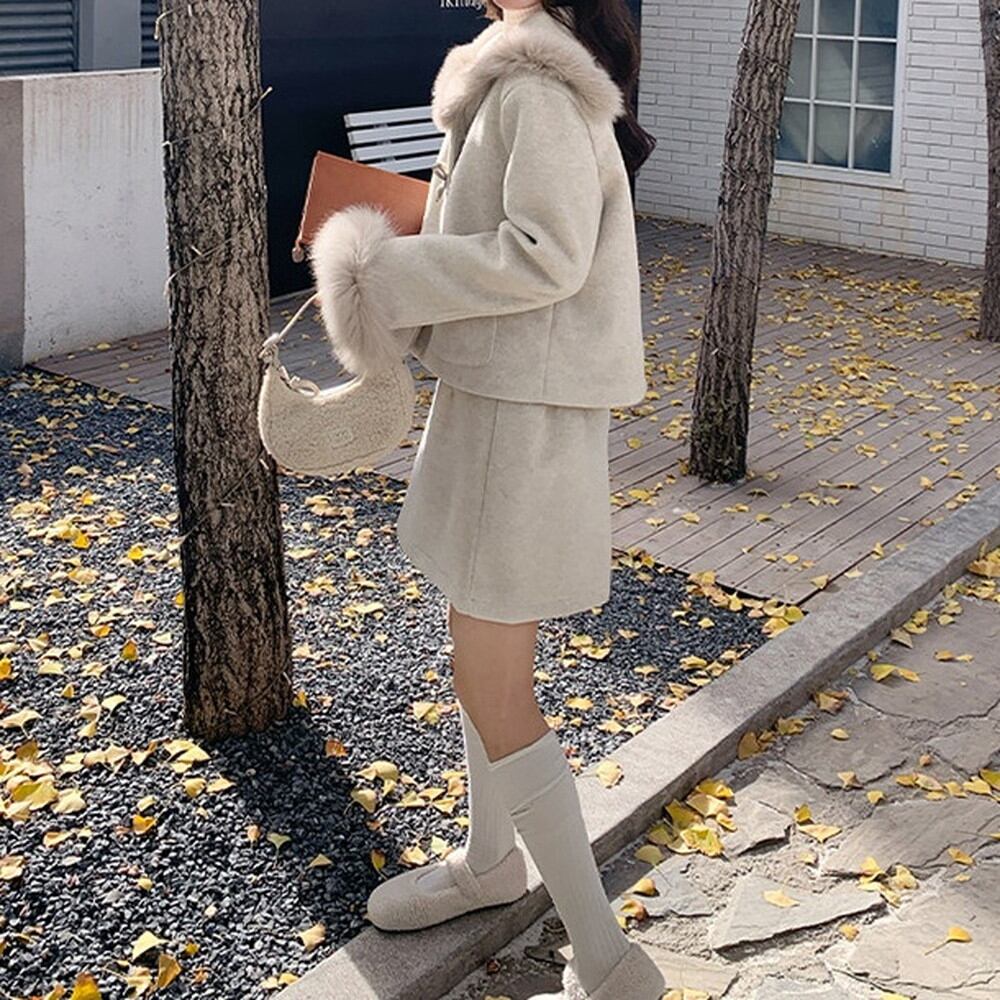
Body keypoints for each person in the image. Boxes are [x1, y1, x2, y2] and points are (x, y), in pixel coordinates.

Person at [308, 2, 664, 997]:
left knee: (492, 680)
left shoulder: (536, 88)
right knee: (485, 656)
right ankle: (489, 861)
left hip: (517, 417)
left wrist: (384, 269)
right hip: (503, 403)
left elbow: (546, 252)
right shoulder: (524, 75)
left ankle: (604, 955)